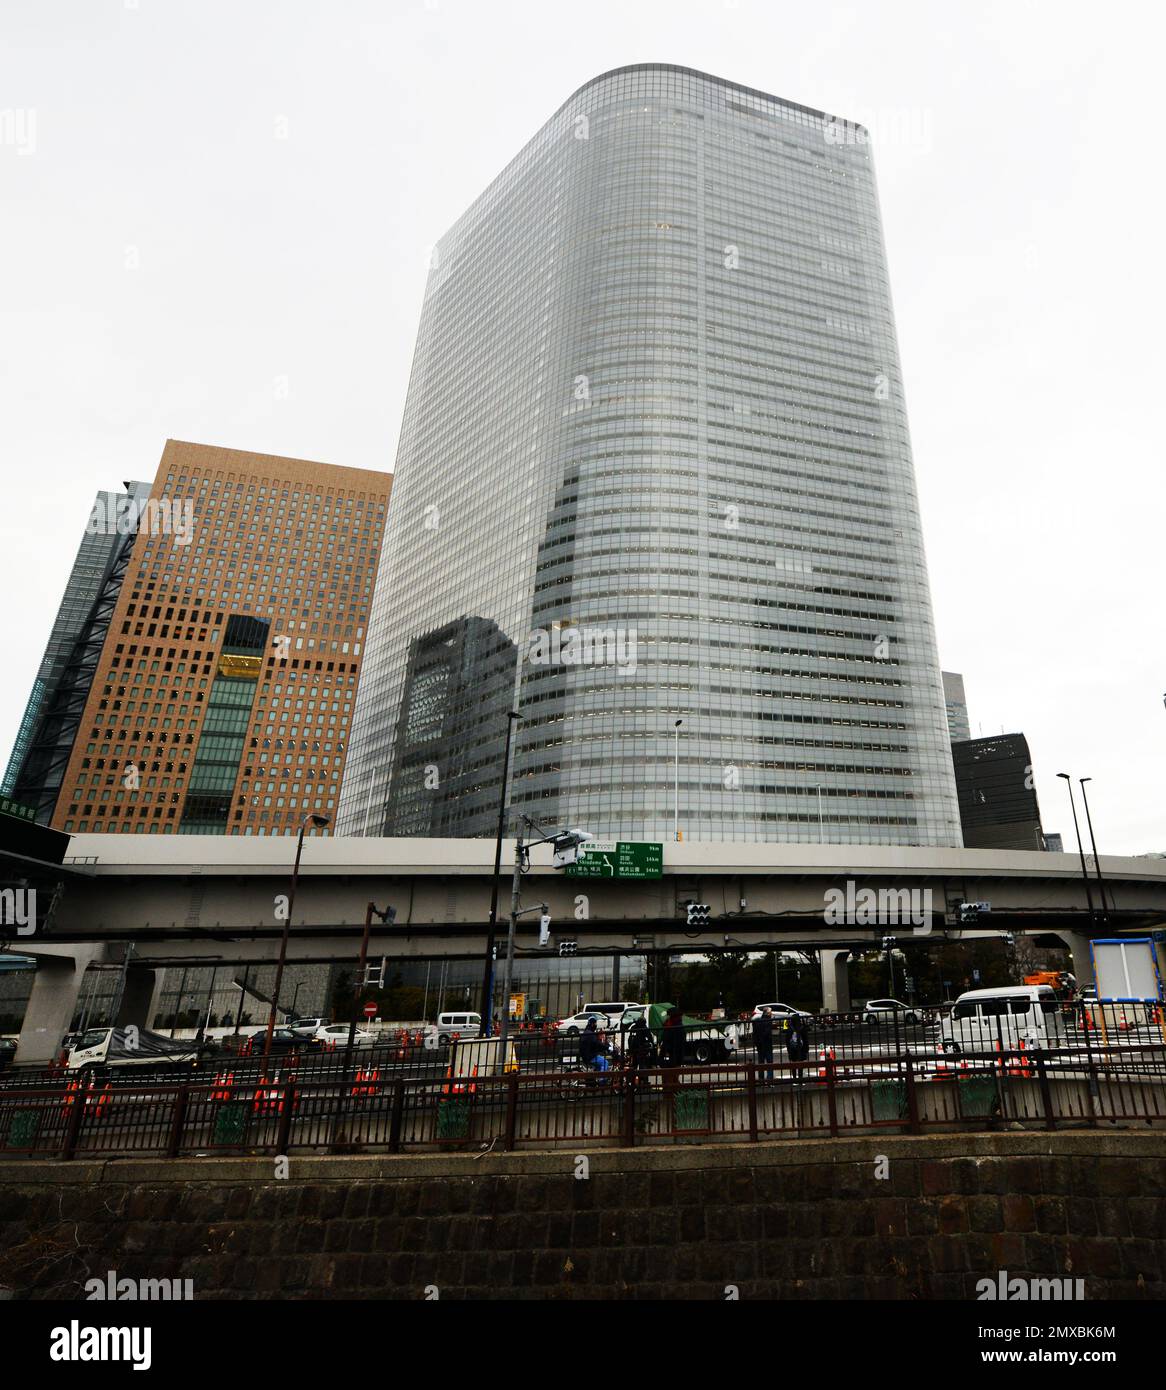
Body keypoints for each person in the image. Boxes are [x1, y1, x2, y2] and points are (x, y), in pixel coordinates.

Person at [627, 1014, 652, 1085]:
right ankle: (644, 1081)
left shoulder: (634, 1027)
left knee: (634, 1066)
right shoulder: (644, 1028)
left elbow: (630, 1038)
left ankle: (632, 1082)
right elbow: (649, 1038)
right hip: (642, 1049)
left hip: (634, 1049)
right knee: (643, 1066)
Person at [786, 1014, 810, 1085]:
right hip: (801, 1049)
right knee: (800, 1064)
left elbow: (787, 1040)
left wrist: (788, 1050)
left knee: (793, 1064)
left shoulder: (790, 1028)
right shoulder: (802, 1028)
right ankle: (800, 1080)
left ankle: (794, 1080)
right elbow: (805, 1039)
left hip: (792, 1049)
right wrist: (806, 1049)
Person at [753, 1006, 775, 1085]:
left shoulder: (758, 1021)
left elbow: (755, 1034)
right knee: (769, 1062)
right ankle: (769, 1081)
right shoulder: (768, 1021)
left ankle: (761, 1080)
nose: (772, 1013)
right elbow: (767, 1033)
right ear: (768, 1013)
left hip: (760, 1045)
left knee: (761, 1063)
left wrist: (757, 1042)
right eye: (770, 1012)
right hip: (767, 1044)